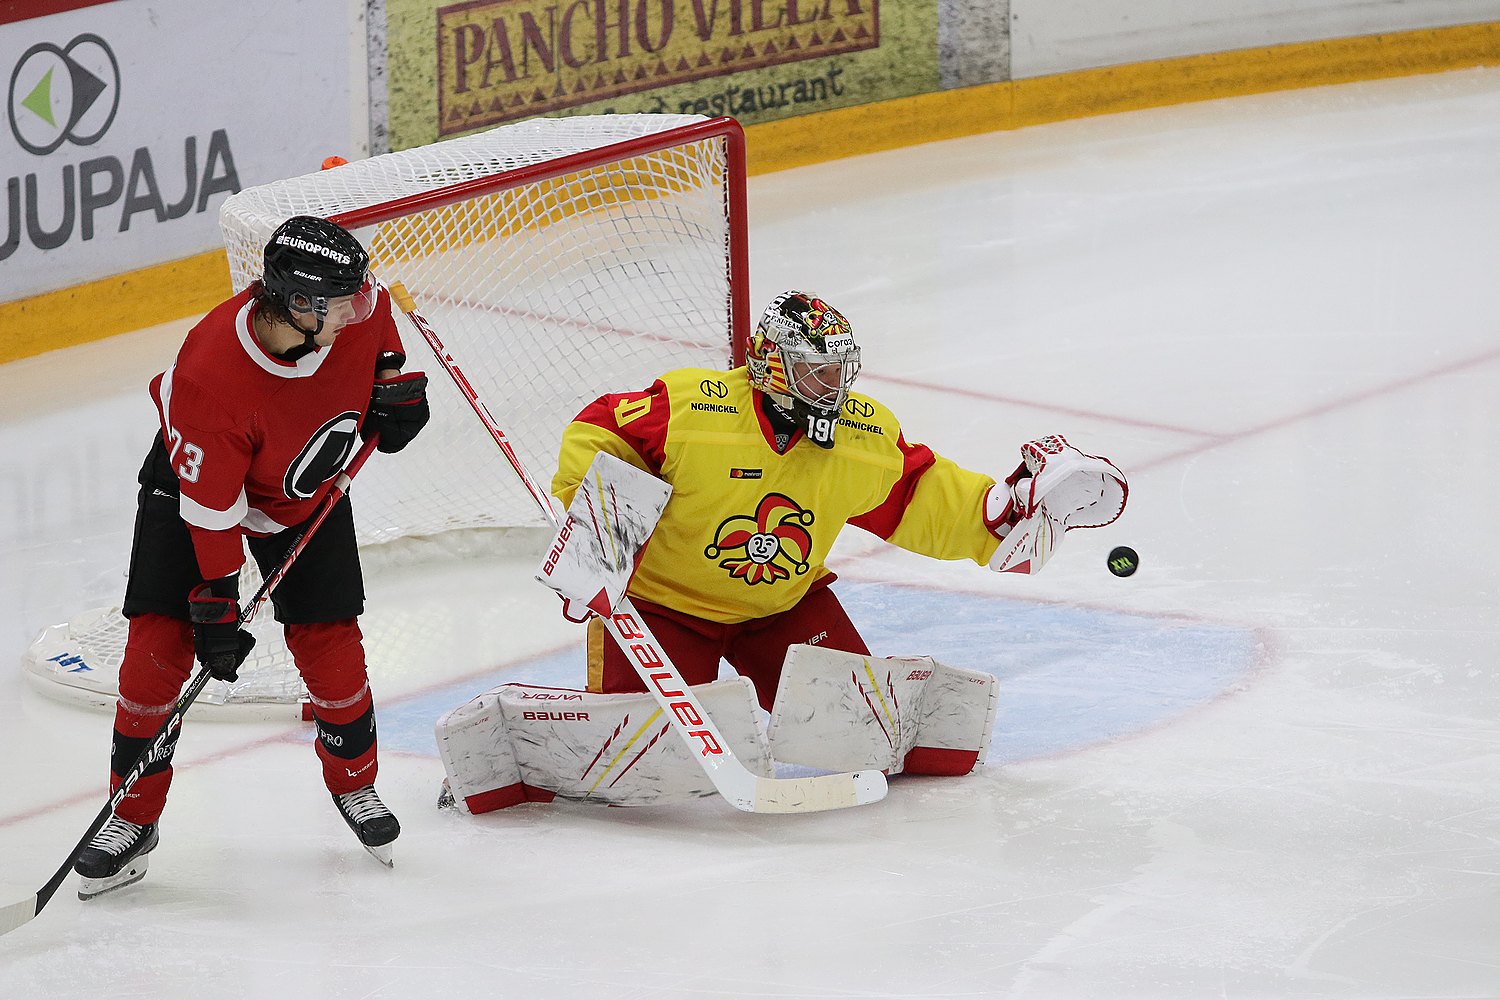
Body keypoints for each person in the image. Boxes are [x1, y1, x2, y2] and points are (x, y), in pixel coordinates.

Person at [549, 290, 1125, 721]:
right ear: (773, 364)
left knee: (862, 725)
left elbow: (916, 495)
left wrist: (999, 516)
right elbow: (601, 431)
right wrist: (596, 528)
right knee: (641, 749)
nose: (833, 387)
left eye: (839, 372)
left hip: (781, 610)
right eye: (816, 372)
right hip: (662, 610)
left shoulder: (859, 436)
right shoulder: (694, 410)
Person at [73, 216, 431, 898]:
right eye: (343, 303)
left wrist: (392, 385)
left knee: (333, 646)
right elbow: (212, 515)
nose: (359, 307)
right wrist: (216, 598)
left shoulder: (352, 305)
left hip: (305, 489)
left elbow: (381, 325)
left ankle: (356, 787)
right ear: (298, 306)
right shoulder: (211, 377)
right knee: (158, 649)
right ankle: (131, 818)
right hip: (195, 495)